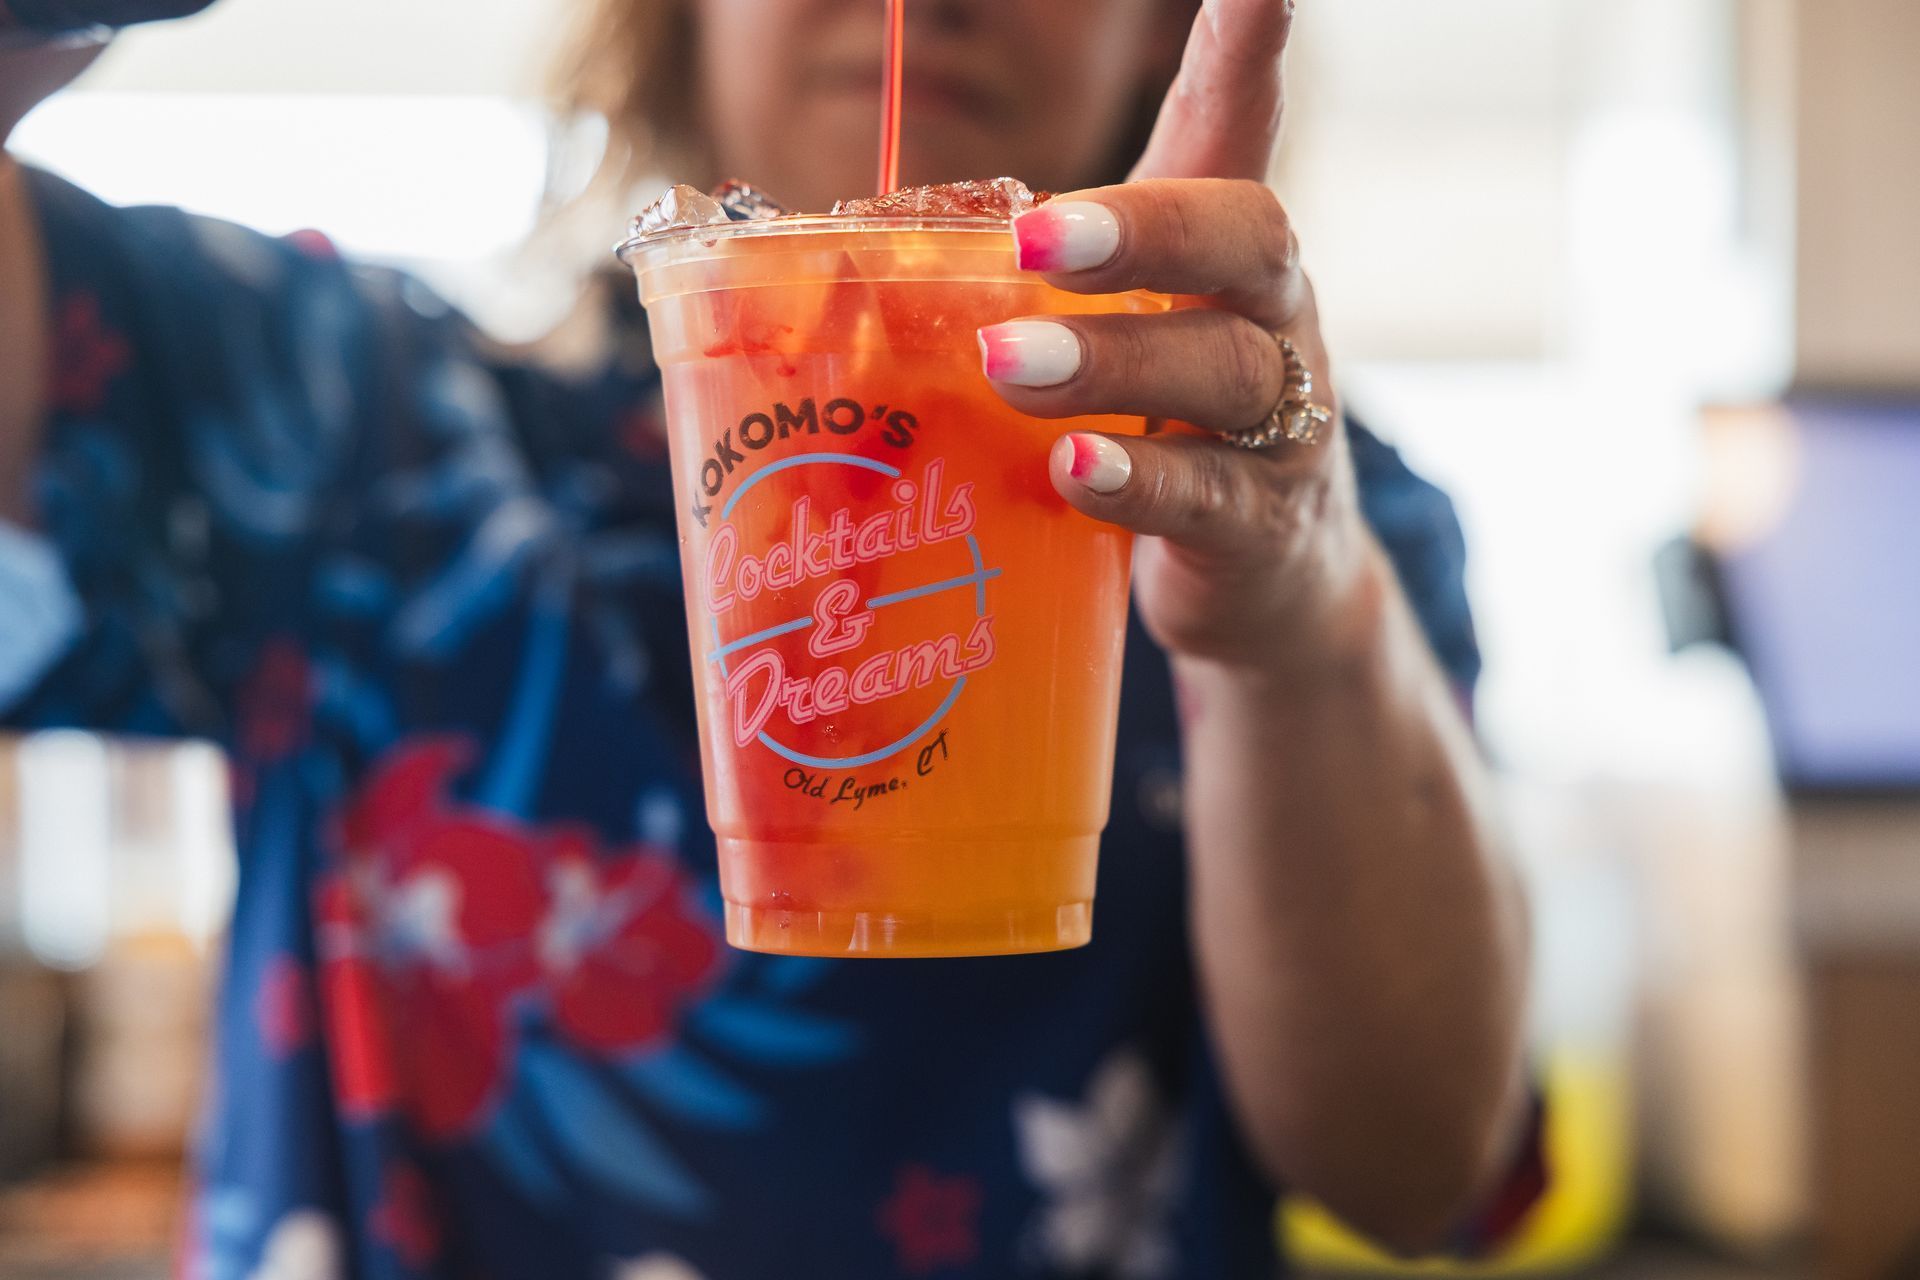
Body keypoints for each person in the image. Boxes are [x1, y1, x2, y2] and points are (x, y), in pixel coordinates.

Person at [0, 1, 1536, 1276]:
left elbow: (1412, 1169)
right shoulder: (366, 424)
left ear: (1169, 30)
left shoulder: (1301, 509)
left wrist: (1298, 624)